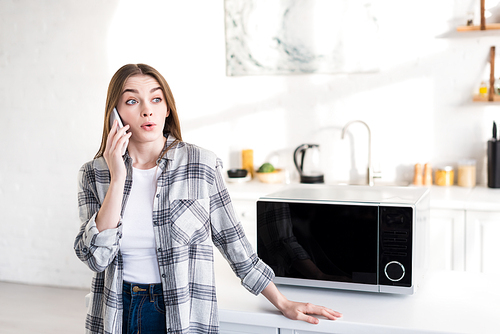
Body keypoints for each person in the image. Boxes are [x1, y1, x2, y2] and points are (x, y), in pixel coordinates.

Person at [74, 63, 342, 334]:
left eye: (156, 99)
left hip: (177, 312)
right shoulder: (93, 174)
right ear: (115, 115)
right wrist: (117, 178)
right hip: (116, 311)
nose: (147, 109)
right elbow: (96, 259)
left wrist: (282, 302)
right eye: (132, 101)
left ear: (167, 109)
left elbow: (233, 242)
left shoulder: (201, 164)